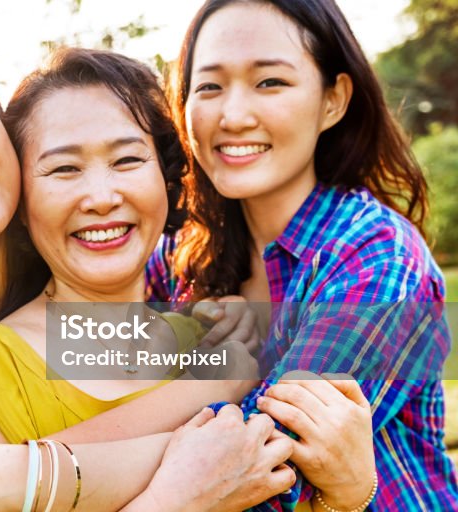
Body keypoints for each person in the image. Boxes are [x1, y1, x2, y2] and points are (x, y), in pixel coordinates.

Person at [0, 48, 374, 512]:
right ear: (22, 202)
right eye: (64, 169)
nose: (101, 196)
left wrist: (351, 491)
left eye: (128, 160)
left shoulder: (213, 339)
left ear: (167, 180)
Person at [149, 0, 458, 509]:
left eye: (269, 82)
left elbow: (264, 474)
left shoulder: (377, 256)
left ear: (333, 100)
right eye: (208, 86)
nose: (232, 115)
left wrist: (38, 472)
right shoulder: (175, 257)